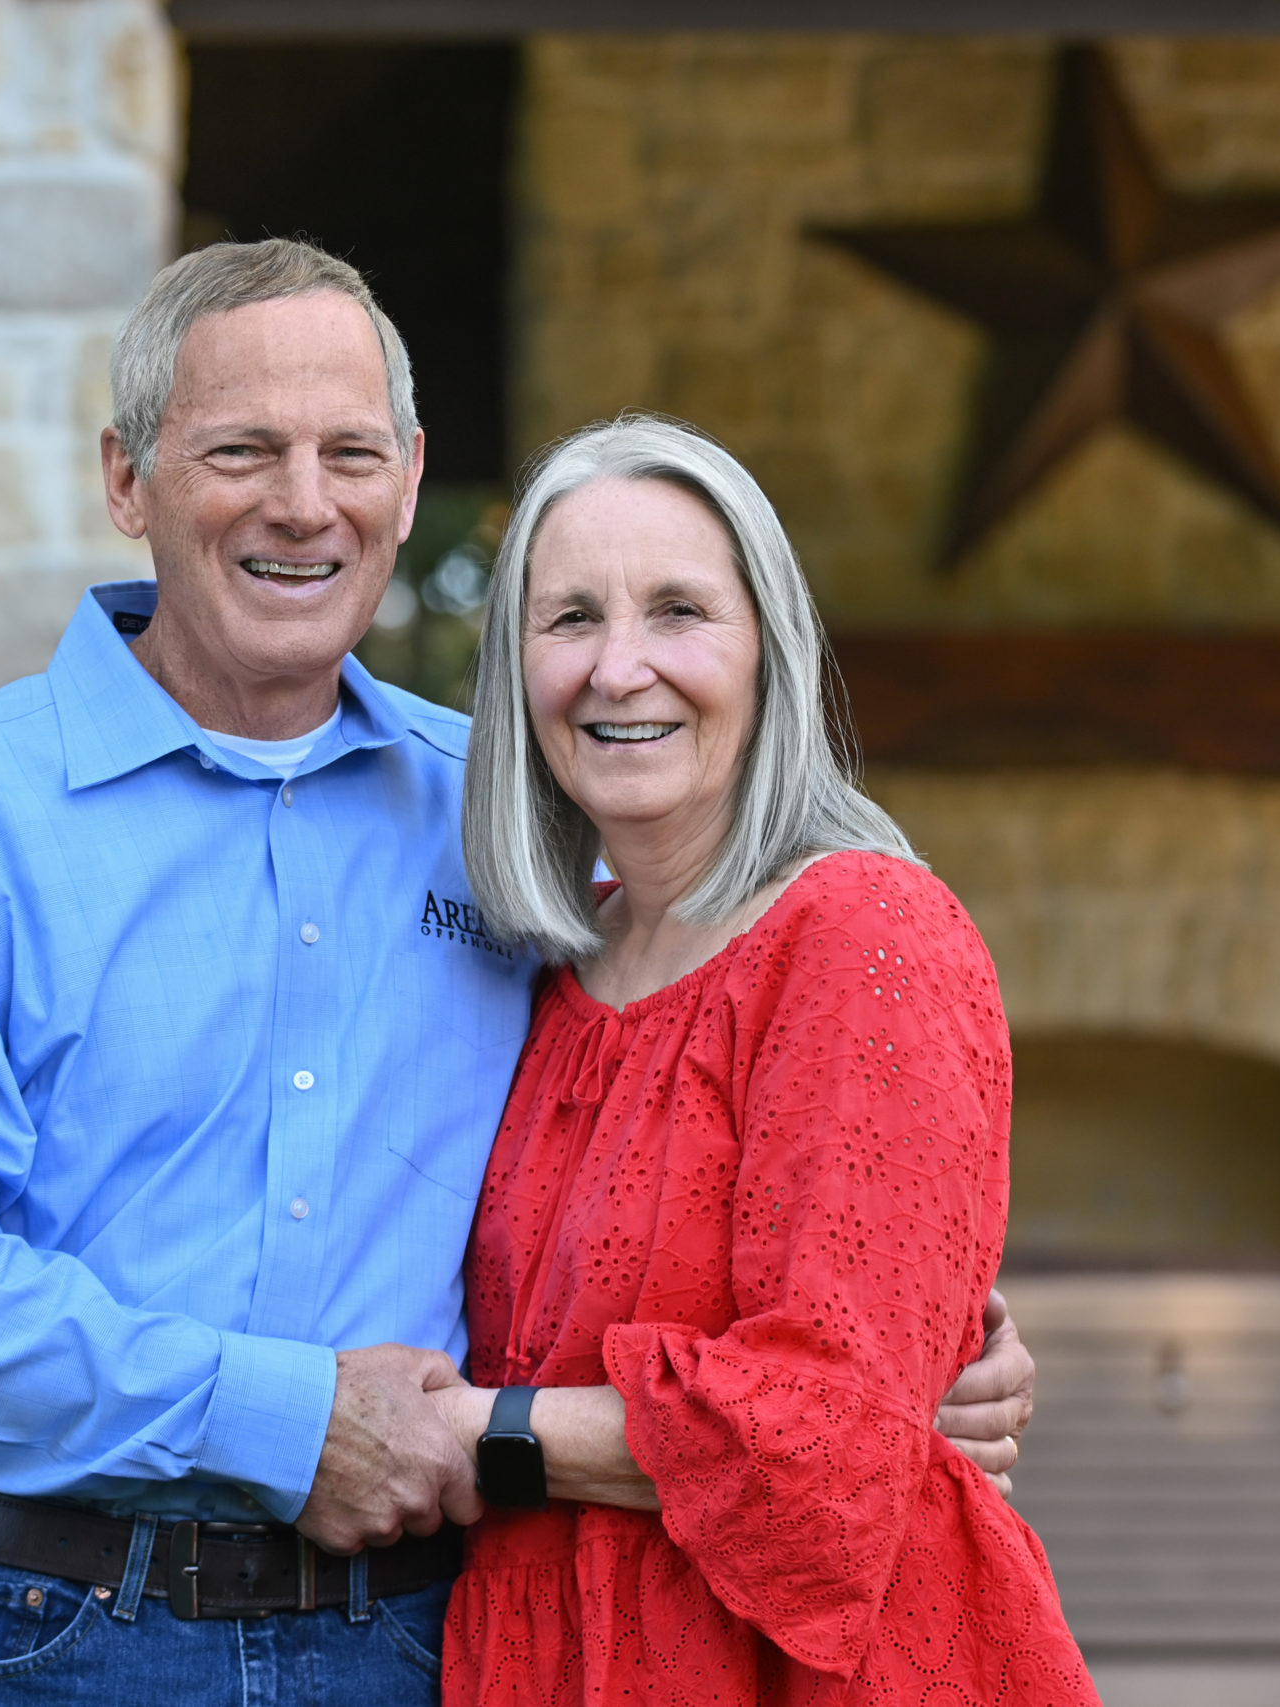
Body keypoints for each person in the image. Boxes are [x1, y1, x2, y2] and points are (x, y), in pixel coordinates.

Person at [0, 239, 1036, 1707]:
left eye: (349, 453)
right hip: (34, 1630)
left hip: (417, 1645)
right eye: (242, 450)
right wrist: (286, 1421)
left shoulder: (514, 825)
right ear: (128, 482)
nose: (304, 504)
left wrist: (924, 1335)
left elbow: (719, 1088)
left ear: (410, 482)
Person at [434, 417, 1097, 1705]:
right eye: (568, 619)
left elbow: (829, 1443)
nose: (618, 669)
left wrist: (476, 1435)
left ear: (768, 653)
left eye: (678, 611)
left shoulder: (863, 934)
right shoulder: (540, 983)